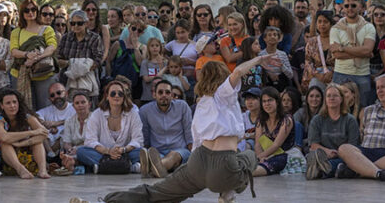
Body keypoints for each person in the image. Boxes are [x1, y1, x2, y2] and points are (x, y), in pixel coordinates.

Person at [102, 55, 280, 203]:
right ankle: (228, 192)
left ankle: (110, 200)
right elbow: (239, 71)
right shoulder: (224, 93)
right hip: (223, 165)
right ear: (222, 77)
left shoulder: (202, 103)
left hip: (198, 162)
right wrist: (260, 59)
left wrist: (188, 170)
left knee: (156, 193)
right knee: (250, 156)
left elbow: (196, 139)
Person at [77, 80, 144, 174]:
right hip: (103, 153)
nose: (116, 96)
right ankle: (130, 167)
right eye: (113, 93)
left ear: (124, 97)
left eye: (120, 94)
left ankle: (102, 167)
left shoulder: (133, 113)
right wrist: (108, 151)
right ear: (107, 97)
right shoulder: (97, 114)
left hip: (125, 153)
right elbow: (90, 140)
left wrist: (123, 149)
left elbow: (137, 140)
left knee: (143, 151)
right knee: (81, 152)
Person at [0, 88, 50, 179]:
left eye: (14, 102)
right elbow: (4, 137)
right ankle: (21, 170)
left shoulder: (27, 117)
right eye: (8, 103)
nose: (12, 106)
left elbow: (44, 133)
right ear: (2, 106)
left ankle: (42, 170)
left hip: (24, 152)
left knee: (38, 142)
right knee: (5, 143)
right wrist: (32, 132)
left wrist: (21, 143)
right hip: (5, 157)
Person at [9, 0, 59, 111]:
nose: (30, 12)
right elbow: (14, 51)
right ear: (22, 13)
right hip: (20, 75)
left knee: (46, 107)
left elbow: (52, 47)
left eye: (33, 9)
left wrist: (37, 58)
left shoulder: (47, 29)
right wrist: (27, 55)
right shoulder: (16, 32)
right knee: (25, 108)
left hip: (43, 73)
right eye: (27, 10)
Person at [138, 80, 193, 178]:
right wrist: (146, 150)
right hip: (157, 152)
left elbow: (189, 131)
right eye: (160, 92)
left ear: (172, 95)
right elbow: (145, 135)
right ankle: (158, 167)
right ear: (154, 94)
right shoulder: (145, 111)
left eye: (167, 92)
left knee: (174, 156)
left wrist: (193, 154)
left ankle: (152, 167)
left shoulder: (182, 107)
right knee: (167, 161)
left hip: (180, 150)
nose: (164, 95)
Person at [305, 83, 360, 180]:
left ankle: (319, 169)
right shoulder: (317, 120)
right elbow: (313, 145)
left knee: (342, 164)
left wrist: (337, 153)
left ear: (341, 99)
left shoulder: (350, 120)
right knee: (315, 154)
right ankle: (320, 168)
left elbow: (353, 146)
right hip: (323, 155)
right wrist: (328, 152)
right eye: (328, 96)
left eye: (335, 95)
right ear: (325, 100)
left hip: (344, 157)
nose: (331, 98)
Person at [330, 0, 376, 108]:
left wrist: (343, 48)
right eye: (346, 6)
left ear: (360, 6)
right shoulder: (336, 28)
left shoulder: (368, 27)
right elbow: (336, 55)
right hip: (341, 73)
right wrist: (362, 52)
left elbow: (367, 50)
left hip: (362, 74)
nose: (349, 8)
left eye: (353, 5)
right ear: (343, 8)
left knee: (362, 109)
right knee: (338, 110)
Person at [56, 10, 103, 99]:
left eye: (79, 23)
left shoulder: (94, 38)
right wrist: (74, 63)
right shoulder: (65, 38)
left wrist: (74, 65)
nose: (76, 26)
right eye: (73, 23)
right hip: (66, 81)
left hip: (88, 82)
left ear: (86, 23)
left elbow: (98, 61)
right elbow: (58, 60)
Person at [252, 86, 294, 177]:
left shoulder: (286, 120)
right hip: (263, 155)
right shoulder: (261, 120)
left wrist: (260, 157)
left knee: (253, 171)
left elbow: (276, 145)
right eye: (264, 101)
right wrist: (260, 157)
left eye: (270, 100)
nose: (267, 104)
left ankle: (240, 174)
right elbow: (257, 144)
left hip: (282, 156)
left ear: (277, 102)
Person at [36, 82, 76, 154]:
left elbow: (79, 119)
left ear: (66, 93)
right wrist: (45, 124)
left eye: (59, 93)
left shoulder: (75, 107)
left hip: (69, 148)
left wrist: (57, 123)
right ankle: (50, 154)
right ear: (50, 99)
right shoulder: (48, 110)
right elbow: (34, 117)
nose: (56, 96)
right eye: (52, 95)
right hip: (48, 145)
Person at [302, 10, 336, 92]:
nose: (322, 24)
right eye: (319, 21)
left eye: (325, 22)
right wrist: (317, 75)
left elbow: (342, 59)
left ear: (331, 24)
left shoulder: (337, 40)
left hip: (335, 74)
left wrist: (332, 72)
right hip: (317, 75)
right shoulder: (312, 42)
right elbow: (308, 62)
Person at [59, 90, 92, 172]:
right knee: (65, 157)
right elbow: (67, 142)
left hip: (90, 149)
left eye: (83, 102)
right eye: (77, 103)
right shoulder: (69, 121)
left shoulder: (96, 119)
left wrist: (77, 149)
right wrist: (70, 150)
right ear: (73, 106)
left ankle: (76, 164)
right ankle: (76, 164)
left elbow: (94, 140)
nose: (80, 105)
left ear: (89, 104)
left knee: (82, 152)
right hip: (74, 151)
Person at [164, 19, 197, 90]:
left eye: (183, 32)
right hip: (176, 77)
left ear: (188, 31)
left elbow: (201, 62)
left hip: (191, 78)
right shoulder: (172, 44)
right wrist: (170, 61)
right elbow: (162, 53)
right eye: (178, 33)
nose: (180, 35)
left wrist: (191, 62)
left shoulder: (195, 45)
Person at [259, 26, 294, 91]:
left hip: (282, 85)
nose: (272, 37)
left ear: (279, 39)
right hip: (266, 86)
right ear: (264, 38)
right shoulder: (260, 55)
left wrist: (282, 66)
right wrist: (268, 74)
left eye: (275, 35)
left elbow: (291, 75)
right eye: (269, 35)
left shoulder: (283, 54)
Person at [82, 0, 111, 65]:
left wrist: (97, 63)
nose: (91, 12)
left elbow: (106, 51)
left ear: (97, 12)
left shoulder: (103, 29)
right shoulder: (80, 27)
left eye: (94, 10)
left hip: (98, 63)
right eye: (88, 10)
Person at [140, 38, 167, 102]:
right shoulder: (145, 62)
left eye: (157, 45)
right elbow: (146, 79)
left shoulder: (165, 62)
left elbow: (164, 78)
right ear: (148, 48)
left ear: (160, 47)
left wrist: (161, 64)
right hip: (148, 96)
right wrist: (157, 75)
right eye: (152, 46)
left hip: (162, 96)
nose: (155, 48)